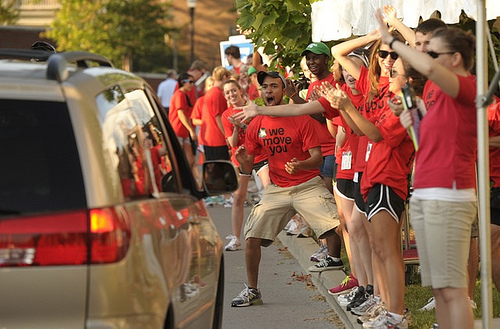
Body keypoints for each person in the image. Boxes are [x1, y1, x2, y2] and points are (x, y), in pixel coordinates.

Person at [376, 9, 477, 329]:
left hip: (449, 194)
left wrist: (391, 37)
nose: (424, 56)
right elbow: (426, 142)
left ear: (456, 58)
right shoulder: (433, 92)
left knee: (453, 289)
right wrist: (411, 119)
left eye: (432, 51)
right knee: (440, 288)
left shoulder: (465, 85)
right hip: (429, 190)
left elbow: (428, 66)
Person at [230, 71, 340, 307]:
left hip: (307, 184)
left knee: (336, 226)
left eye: (274, 86)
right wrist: (242, 159)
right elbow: (249, 165)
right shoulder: (256, 124)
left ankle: (338, 267)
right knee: (250, 238)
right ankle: (252, 290)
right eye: (265, 87)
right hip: (277, 189)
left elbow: (318, 158)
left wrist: (301, 164)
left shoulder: (302, 119)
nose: (269, 91)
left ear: (283, 90)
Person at [221, 80, 270, 251]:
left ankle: (294, 222)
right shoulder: (226, 115)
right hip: (241, 160)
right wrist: (235, 128)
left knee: (272, 191)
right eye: (227, 93)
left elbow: (262, 134)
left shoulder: (252, 107)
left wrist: (242, 124)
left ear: (240, 90)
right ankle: (235, 238)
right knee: (238, 198)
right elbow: (232, 143)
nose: (231, 95)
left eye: (233, 90)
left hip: (260, 156)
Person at [169, 72, 198, 181]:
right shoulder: (179, 94)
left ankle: (191, 183)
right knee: (178, 160)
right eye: (190, 82)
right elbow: (180, 113)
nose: (192, 85)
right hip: (178, 131)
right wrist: (191, 129)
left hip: (183, 132)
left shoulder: (183, 94)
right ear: (182, 82)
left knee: (190, 160)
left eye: (193, 82)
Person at [200, 66, 232, 161]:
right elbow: (219, 117)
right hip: (217, 140)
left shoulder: (210, 92)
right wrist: (227, 136)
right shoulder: (217, 94)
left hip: (210, 139)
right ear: (225, 77)